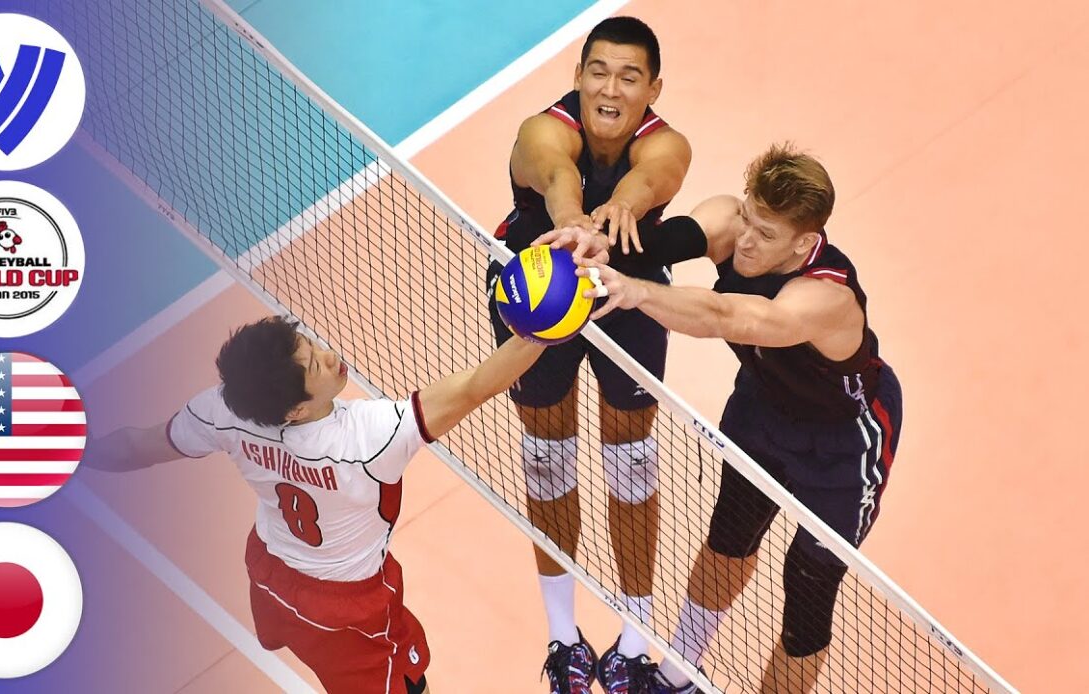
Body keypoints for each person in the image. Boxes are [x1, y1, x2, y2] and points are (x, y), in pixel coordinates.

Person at [548, 143, 903, 693]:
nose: (746, 240)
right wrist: (602, 243)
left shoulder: (825, 298)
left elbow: (726, 315)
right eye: (748, 218)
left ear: (805, 242)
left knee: (808, 592)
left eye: (766, 234)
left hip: (841, 445)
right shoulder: (732, 225)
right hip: (761, 408)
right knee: (727, 540)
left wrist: (638, 292)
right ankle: (676, 675)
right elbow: (653, 244)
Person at [85, 316, 549, 694]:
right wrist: (551, 326)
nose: (330, 356)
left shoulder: (225, 410)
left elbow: (137, 447)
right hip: (348, 614)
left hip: (269, 575)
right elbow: (475, 387)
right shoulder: (367, 439)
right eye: (315, 367)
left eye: (309, 342)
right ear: (296, 412)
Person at [488, 14, 692, 694]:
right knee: (547, 458)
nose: (611, 88)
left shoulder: (668, 145)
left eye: (630, 77)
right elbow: (554, 175)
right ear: (577, 77)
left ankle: (634, 640)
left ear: (652, 88)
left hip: (624, 296)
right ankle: (563, 639)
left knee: (632, 463)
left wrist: (616, 217)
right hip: (536, 295)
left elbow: (650, 181)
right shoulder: (542, 129)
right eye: (599, 71)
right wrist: (573, 222)